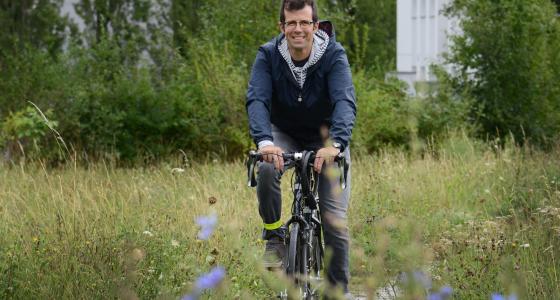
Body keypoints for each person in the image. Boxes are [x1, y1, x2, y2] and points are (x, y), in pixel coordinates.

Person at [246, 0, 356, 296]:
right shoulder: (268, 55)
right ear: (282, 27)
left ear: (315, 26)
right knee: (266, 166)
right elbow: (257, 99)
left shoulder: (333, 55)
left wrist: (336, 144)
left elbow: (345, 101)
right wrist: (264, 141)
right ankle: (273, 235)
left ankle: (337, 292)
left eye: (304, 23)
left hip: (326, 137)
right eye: (291, 23)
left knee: (334, 221)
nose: (298, 29)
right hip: (283, 134)